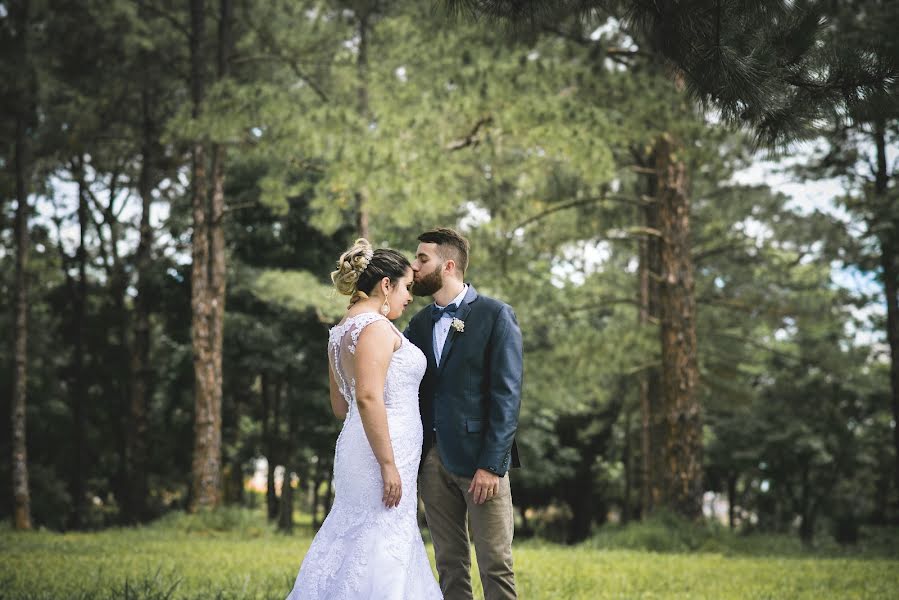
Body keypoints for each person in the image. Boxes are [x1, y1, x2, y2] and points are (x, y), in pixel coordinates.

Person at [286, 239, 442, 600]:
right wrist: (388, 464)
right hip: (381, 454)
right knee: (379, 536)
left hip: (360, 444)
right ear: (385, 285)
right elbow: (368, 397)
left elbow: (342, 407)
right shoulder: (374, 327)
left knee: (360, 533)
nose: (408, 297)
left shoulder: (341, 331)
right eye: (405, 287)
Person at [404, 228, 523, 600]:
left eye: (423, 259)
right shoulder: (419, 324)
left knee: (495, 563)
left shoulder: (495, 315)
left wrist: (492, 463)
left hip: (479, 462)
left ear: (449, 265)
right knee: (449, 564)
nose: (415, 266)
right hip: (431, 462)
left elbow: (507, 397)